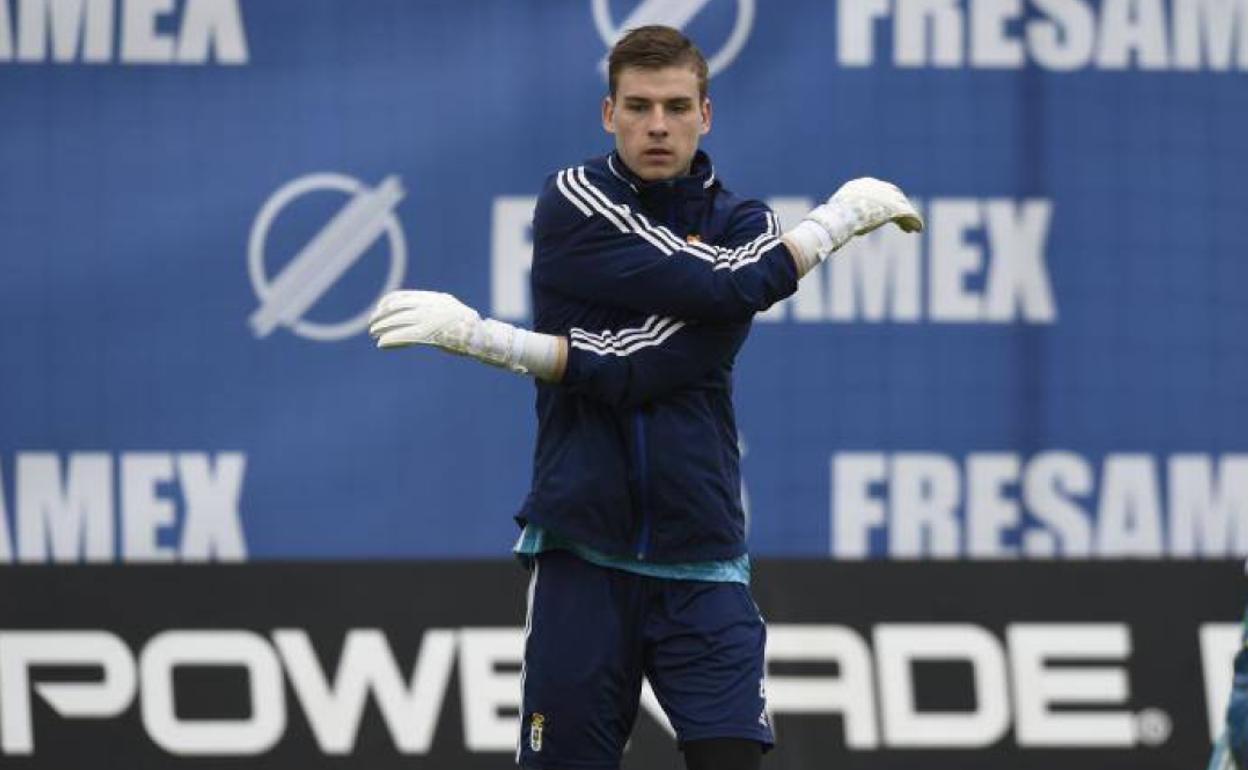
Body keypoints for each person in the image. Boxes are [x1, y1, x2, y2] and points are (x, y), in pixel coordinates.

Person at [369, 25, 922, 770]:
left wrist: (487, 339)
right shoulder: (575, 202)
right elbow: (713, 300)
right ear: (608, 114)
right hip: (583, 552)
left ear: (706, 114)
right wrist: (832, 226)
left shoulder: (744, 225)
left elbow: (660, 354)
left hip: (703, 556)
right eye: (637, 106)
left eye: (674, 106)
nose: (657, 125)